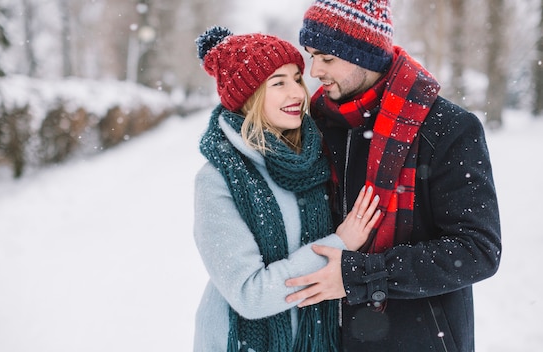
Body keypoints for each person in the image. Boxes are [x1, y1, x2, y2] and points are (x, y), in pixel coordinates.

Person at [284, 1, 502, 351]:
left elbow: (477, 250)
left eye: (326, 58)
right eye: (311, 56)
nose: (314, 71)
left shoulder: (446, 129)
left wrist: (362, 275)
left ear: (364, 53)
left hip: (419, 340)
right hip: (327, 338)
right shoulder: (316, 124)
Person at [192, 26, 381, 352]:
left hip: (316, 338)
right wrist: (339, 244)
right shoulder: (219, 179)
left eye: (296, 78)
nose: (296, 93)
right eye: (278, 83)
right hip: (242, 341)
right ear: (247, 96)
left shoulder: (315, 157)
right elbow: (250, 294)